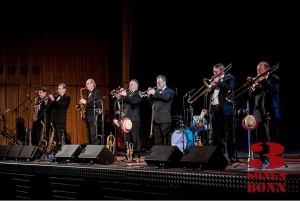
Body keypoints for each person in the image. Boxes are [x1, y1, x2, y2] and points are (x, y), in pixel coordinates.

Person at [248, 61, 281, 166]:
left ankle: (275, 158)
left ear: (267, 69)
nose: (257, 72)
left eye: (260, 70)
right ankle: (262, 158)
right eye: (257, 70)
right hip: (258, 112)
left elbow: (273, 91)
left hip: (270, 110)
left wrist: (263, 81)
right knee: (260, 138)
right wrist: (254, 85)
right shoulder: (258, 80)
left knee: (271, 137)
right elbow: (250, 94)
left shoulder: (274, 78)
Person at [208, 63, 236, 163]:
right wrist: (210, 86)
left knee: (228, 134)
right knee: (216, 134)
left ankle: (231, 156)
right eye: (213, 71)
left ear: (222, 71)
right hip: (214, 109)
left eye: (216, 72)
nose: (214, 73)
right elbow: (210, 91)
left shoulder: (230, 78)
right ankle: (218, 156)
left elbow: (230, 89)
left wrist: (219, 82)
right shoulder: (213, 79)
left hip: (226, 109)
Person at [147, 75, 174, 146]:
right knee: (158, 141)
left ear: (164, 82)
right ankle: (160, 156)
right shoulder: (157, 92)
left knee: (166, 140)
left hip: (164, 119)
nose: (157, 84)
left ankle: (168, 156)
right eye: (157, 82)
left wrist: (154, 93)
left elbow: (165, 98)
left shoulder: (169, 91)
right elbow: (150, 104)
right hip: (156, 119)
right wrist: (149, 95)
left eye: (159, 82)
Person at [119, 79, 142, 160]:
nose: (130, 86)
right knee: (127, 138)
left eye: (132, 84)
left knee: (135, 137)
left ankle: (137, 153)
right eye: (130, 84)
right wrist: (120, 95)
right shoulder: (128, 95)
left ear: (136, 86)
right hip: (126, 119)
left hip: (134, 119)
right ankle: (128, 153)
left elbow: (133, 101)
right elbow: (122, 103)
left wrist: (125, 95)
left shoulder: (138, 94)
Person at [79, 79, 102, 145]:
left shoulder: (96, 92)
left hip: (93, 116)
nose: (86, 86)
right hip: (88, 117)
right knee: (89, 135)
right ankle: (90, 149)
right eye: (86, 84)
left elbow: (96, 103)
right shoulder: (89, 93)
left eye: (88, 84)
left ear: (92, 84)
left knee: (93, 135)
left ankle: (94, 151)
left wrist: (85, 102)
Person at [49, 83, 71, 149]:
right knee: (55, 138)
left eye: (60, 88)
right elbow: (52, 106)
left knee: (60, 137)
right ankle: (56, 152)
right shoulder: (57, 96)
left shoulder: (67, 97)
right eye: (58, 88)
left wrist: (53, 100)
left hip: (60, 120)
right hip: (54, 120)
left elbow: (62, 106)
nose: (58, 90)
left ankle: (62, 151)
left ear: (64, 89)